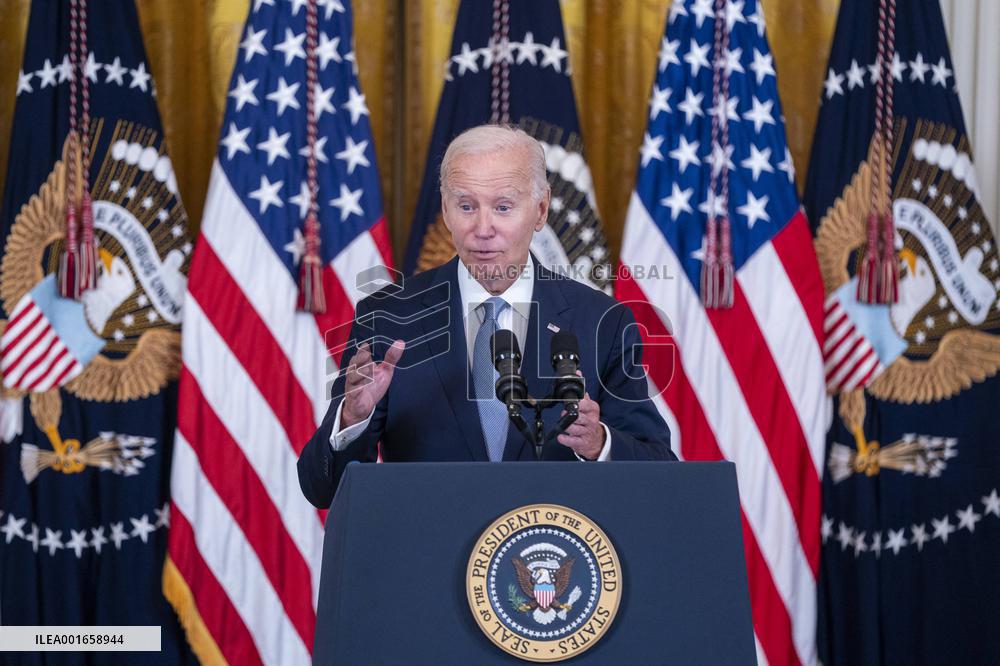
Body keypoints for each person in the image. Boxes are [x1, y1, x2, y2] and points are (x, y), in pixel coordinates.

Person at [297, 125, 674, 508]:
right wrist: (351, 419)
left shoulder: (602, 322)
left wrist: (599, 443)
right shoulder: (389, 316)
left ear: (540, 210)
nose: (483, 229)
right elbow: (321, 489)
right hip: (429, 558)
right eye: (466, 206)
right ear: (445, 211)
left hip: (553, 558)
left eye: (503, 207)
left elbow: (660, 470)